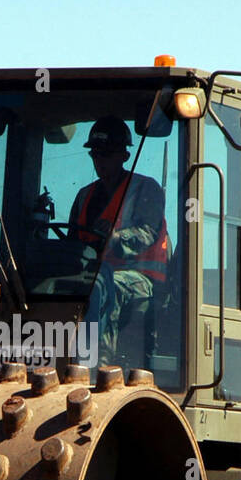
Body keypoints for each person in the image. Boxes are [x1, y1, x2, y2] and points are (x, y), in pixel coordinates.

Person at [67, 116, 170, 364]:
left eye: (107, 154)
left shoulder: (146, 189)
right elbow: (71, 242)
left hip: (141, 279)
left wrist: (116, 238)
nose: (99, 160)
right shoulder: (85, 196)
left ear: (124, 155)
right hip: (95, 272)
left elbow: (147, 232)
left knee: (102, 287)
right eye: (95, 154)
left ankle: (97, 363)